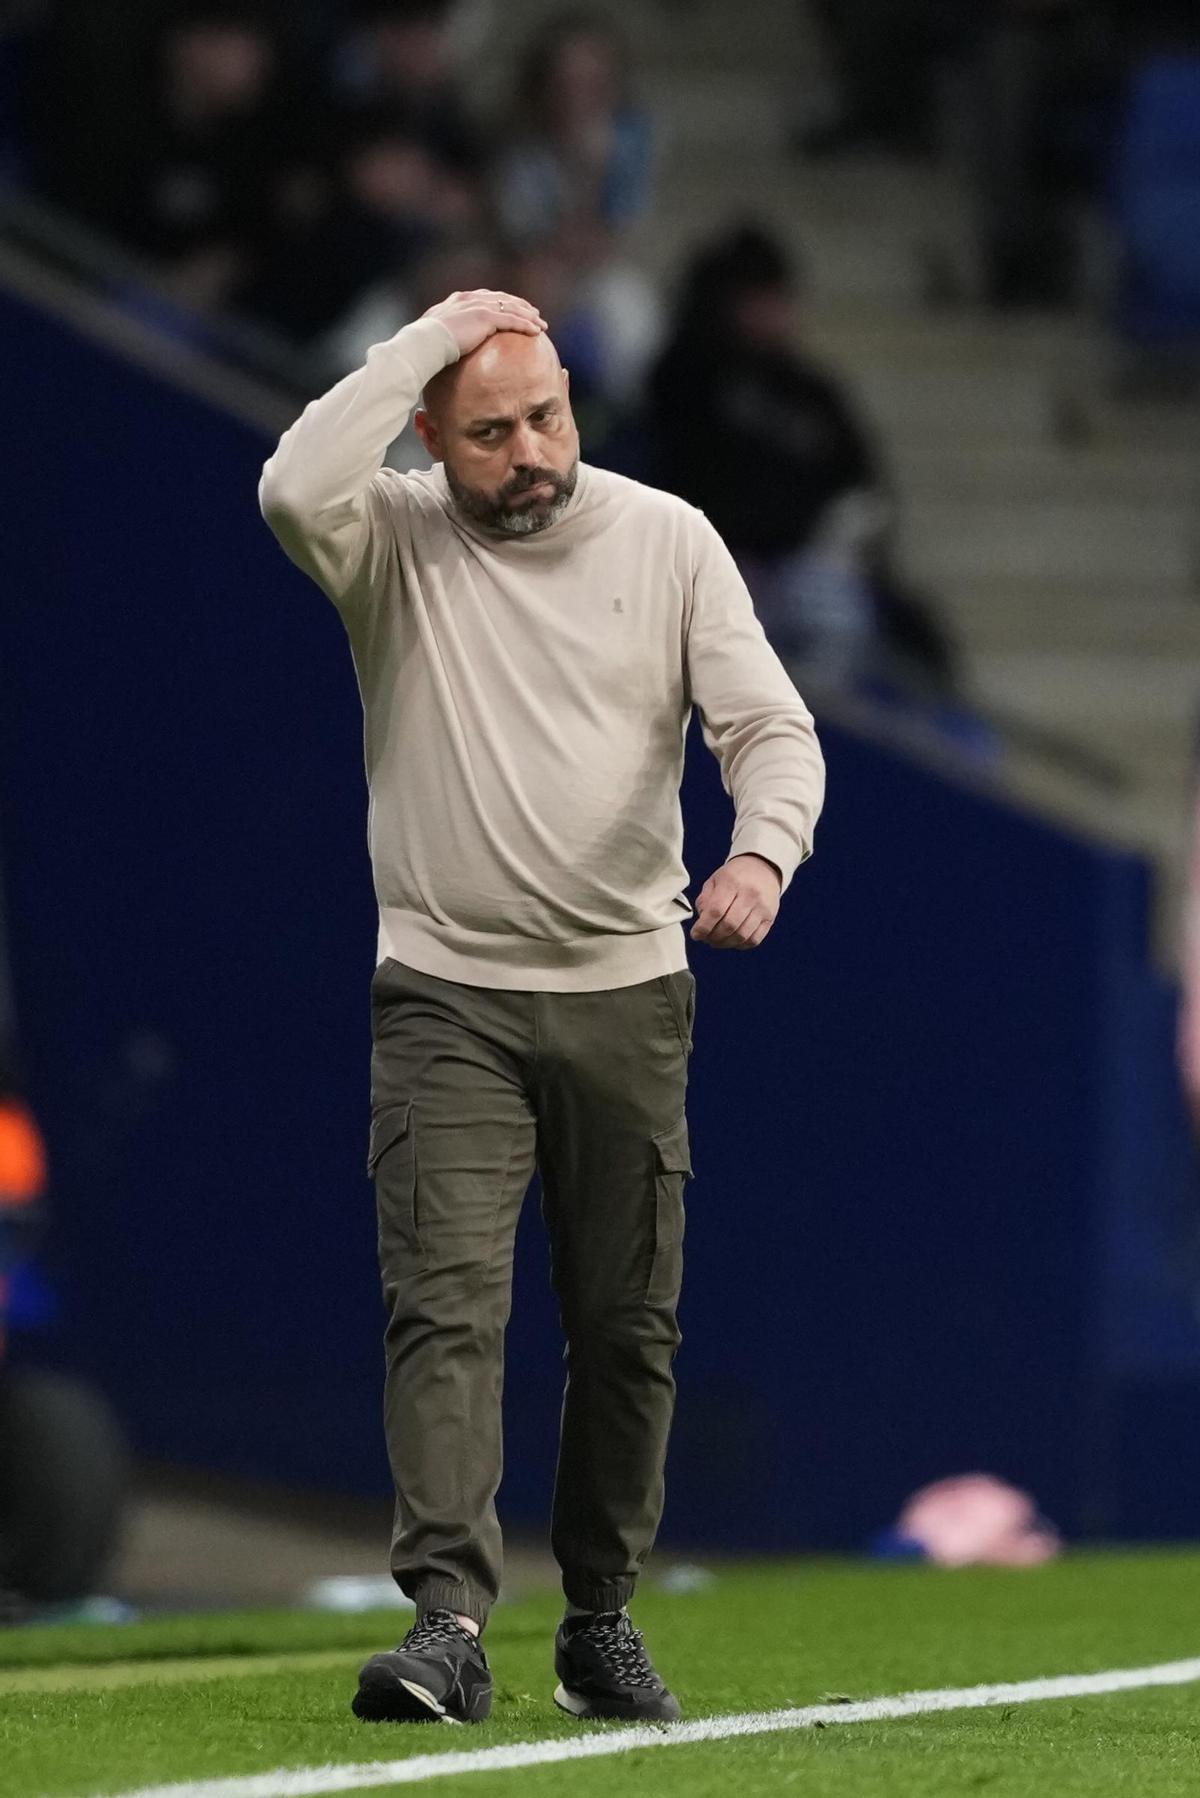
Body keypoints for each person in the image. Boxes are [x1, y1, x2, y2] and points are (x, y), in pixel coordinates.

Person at [258, 289, 824, 1725]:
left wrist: (762, 848)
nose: (529, 451)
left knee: (628, 1323)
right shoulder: (386, 536)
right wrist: (422, 337)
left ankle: (600, 1617)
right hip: (443, 988)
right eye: (491, 429)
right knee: (445, 1307)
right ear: (432, 438)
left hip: (629, 992)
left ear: (578, 401)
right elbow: (288, 480)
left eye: (547, 416)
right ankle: (447, 1618)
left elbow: (769, 726)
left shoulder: (664, 536)